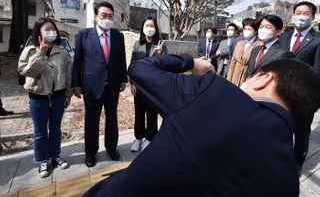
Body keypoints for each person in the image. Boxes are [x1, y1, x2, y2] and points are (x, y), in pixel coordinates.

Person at [84, 54, 320, 197]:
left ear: (264, 78)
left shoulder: (215, 93)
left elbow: (140, 69)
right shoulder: (288, 182)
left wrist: (192, 62)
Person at [72, 1, 128, 167]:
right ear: (96, 16)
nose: (107, 19)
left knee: (112, 118)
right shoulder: (83, 35)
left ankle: (111, 148)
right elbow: (77, 62)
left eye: (110, 16)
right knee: (92, 120)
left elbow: (121, 60)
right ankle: (90, 153)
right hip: (91, 85)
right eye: (104, 15)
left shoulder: (118, 36)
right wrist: (76, 84)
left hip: (112, 86)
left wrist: (123, 79)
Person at [18, 18, 72, 178]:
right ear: (39, 33)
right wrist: (40, 53)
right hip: (38, 98)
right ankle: (43, 160)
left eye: (53, 29)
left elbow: (68, 75)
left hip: (58, 98)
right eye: (47, 30)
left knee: (55, 129)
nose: (51, 32)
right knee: (40, 131)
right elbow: (26, 72)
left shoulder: (62, 52)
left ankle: (55, 156)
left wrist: (68, 94)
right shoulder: (30, 51)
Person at [279, 1, 320, 172]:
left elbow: (318, 72)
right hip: (281, 91)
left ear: (312, 16)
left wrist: (314, 99)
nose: (301, 16)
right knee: (282, 126)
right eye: (298, 12)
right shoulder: (284, 36)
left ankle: (296, 164)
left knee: (302, 131)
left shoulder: (317, 40)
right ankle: (281, 157)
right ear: (292, 15)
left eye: (306, 13)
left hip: (304, 94)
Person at [130, 17, 167, 152]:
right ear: (143, 28)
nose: (149, 28)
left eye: (152, 25)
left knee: (152, 114)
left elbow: (164, 65)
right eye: (147, 25)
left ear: (156, 28)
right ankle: (138, 137)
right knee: (139, 113)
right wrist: (132, 83)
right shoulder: (136, 44)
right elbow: (132, 66)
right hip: (139, 86)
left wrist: (158, 55)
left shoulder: (161, 44)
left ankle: (150, 138)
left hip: (153, 87)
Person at [227, 18, 261, 86]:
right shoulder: (239, 43)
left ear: (256, 31)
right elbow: (233, 62)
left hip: (247, 79)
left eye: (249, 29)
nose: (246, 31)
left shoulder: (259, 45)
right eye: (245, 29)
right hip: (235, 78)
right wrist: (229, 79)